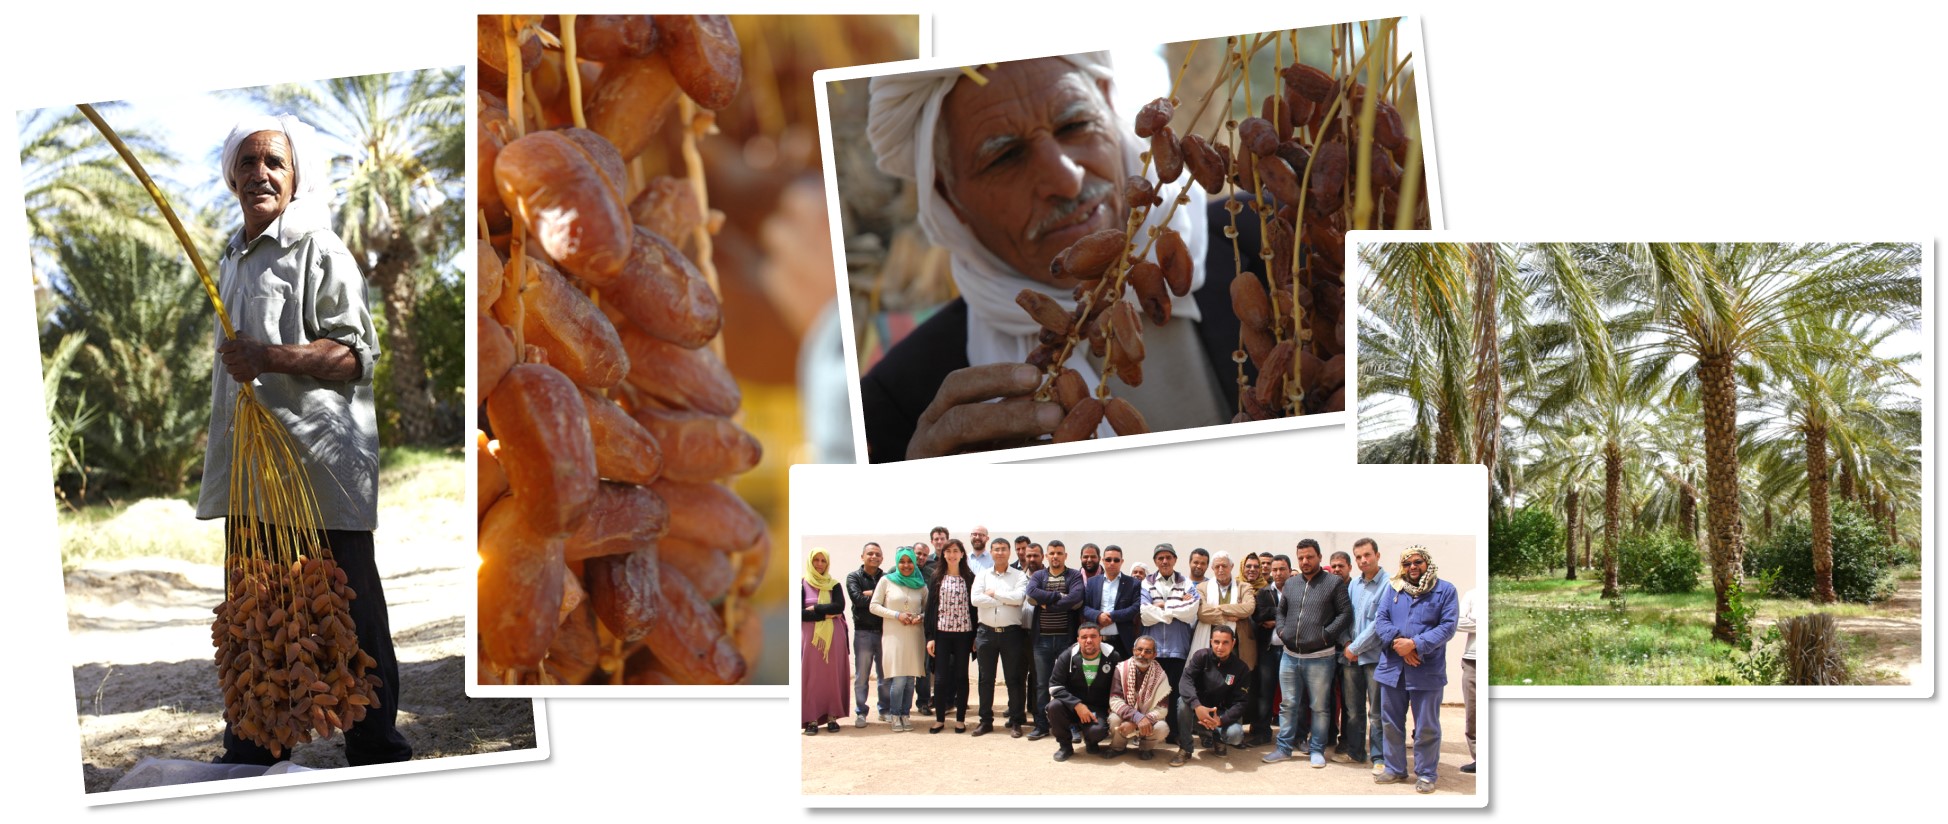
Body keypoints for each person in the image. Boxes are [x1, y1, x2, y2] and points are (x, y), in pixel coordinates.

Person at [863, 55, 1262, 462]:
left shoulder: (1274, 237)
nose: (1066, 179)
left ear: (1110, 108)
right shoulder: (898, 403)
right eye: (1005, 157)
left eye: (1075, 126)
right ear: (949, 197)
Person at [203, 116, 406, 767]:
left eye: (275, 164)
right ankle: (256, 741)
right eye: (250, 162)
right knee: (253, 608)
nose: (261, 173)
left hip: (320, 467)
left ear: (294, 179)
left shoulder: (319, 247)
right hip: (252, 470)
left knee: (349, 607)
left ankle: (376, 747)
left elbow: (353, 356)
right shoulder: (230, 257)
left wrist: (272, 357)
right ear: (232, 175)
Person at [1374, 546, 1460, 794]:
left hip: (1426, 669)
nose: (1413, 567)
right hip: (1392, 668)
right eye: (1408, 562)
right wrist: (1399, 644)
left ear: (1427, 563)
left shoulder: (1445, 590)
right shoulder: (1394, 588)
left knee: (1426, 726)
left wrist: (1415, 645)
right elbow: (1380, 620)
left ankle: (1426, 773)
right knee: (1390, 723)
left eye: (1418, 562)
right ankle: (1395, 768)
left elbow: (1447, 627)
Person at [1264, 540, 1350, 767]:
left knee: (1319, 707)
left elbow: (1345, 614)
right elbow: (1281, 611)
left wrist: (1325, 636)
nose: (1305, 561)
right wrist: (1282, 631)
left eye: (1309, 557)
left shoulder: (1333, 583)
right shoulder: (1291, 584)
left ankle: (1317, 749)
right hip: (1290, 656)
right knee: (1288, 704)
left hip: (1320, 657)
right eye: (1301, 557)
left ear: (1319, 557)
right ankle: (1283, 748)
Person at [1024, 540, 1083, 740]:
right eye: (1052, 553)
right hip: (1042, 641)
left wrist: (1048, 604)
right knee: (1042, 684)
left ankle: (1073, 726)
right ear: (1046, 556)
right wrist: (1059, 596)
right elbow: (1031, 593)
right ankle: (1041, 725)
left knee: (1070, 684)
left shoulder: (1074, 575)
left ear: (1065, 555)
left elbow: (1076, 597)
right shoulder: (1039, 575)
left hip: (1067, 640)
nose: (1055, 556)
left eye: (1059, 553)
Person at [970, 538, 1029, 737]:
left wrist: (994, 593)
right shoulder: (982, 575)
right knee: (986, 679)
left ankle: (1016, 721)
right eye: (996, 549)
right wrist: (1005, 598)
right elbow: (975, 599)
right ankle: (985, 721)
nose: (1000, 553)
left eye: (1004, 549)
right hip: (986, 633)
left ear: (1009, 552)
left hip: (1011, 634)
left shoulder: (1019, 576)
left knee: (1014, 679)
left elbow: (1019, 598)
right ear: (992, 552)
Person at [1138, 543, 1199, 735]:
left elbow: (1191, 613)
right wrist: (1176, 606)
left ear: (1175, 559)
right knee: (1151, 693)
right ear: (1155, 561)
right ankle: (1150, 733)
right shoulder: (1147, 582)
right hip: (1152, 649)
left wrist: (1163, 606)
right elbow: (1145, 614)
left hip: (1178, 647)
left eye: (1168, 557)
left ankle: (1174, 734)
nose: (1165, 561)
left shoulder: (1186, 582)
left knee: (1174, 693)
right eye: (1160, 558)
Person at [868, 547, 930, 731]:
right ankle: (895, 715)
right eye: (902, 562)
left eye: (909, 561)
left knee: (911, 679)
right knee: (899, 679)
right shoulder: (886, 581)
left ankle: (905, 714)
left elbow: (929, 611)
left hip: (914, 635)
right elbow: (874, 606)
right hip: (894, 635)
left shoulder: (921, 585)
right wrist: (897, 615)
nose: (906, 565)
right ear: (897, 563)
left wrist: (921, 617)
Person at [1339, 538, 1388, 769]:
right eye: (1358, 557)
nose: (1363, 560)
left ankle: (1379, 757)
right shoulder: (1354, 584)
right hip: (1351, 657)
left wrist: (1355, 648)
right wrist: (1347, 644)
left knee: (1377, 713)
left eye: (1367, 555)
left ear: (1378, 555)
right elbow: (1346, 616)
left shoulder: (1389, 584)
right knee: (1353, 711)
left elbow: (1380, 623)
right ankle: (1356, 752)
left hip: (1375, 658)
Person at [1171, 625, 1250, 767]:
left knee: (1235, 736)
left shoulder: (1241, 668)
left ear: (1233, 643)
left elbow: (1241, 702)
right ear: (1211, 642)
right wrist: (1197, 706)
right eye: (1217, 642)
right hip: (1199, 710)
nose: (1220, 646)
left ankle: (1217, 738)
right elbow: (1185, 680)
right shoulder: (1201, 656)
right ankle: (1185, 748)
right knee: (1182, 702)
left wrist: (1221, 720)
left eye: (1225, 642)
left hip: (1221, 713)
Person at [925, 539, 978, 733]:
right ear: (943, 554)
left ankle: (960, 719)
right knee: (940, 679)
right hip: (942, 634)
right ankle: (939, 719)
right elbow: (930, 608)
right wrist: (930, 637)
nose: (952, 555)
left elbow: (975, 609)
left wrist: (975, 636)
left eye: (956, 551)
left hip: (964, 634)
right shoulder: (937, 577)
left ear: (962, 554)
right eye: (948, 551)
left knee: (961, 677)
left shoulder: (970, 577)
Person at [1046, 624, 1121, 762]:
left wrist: (1113, 706)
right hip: (1071, 706)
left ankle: (1091, 741)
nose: (1089, 640)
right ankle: (1065, 747)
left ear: (1101, 638)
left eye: (1093, 636)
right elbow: (1054, 686)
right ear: (1078, 639)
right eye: (1084, 637)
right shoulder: (1067, 656)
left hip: (1097, 708)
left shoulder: (1113, 657)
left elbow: (1118, 686)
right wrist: (1077, 705)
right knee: (1054, 706)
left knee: (1097, 732)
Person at [801, 548, 850, 735]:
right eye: (816, 560)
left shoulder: (834, 584)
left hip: (834, 637)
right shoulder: (801, 584)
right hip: (810, 638)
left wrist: (816, 608)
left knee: (832, 677)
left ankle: (832, 716)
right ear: (810, 562)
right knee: (811, 677)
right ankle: (811, 719)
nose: (820, 564)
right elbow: (799, 613)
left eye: (823, 561)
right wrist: (826, 615)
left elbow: (839, 606)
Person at [1245, 555, 1291, 748]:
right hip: (1268, 650)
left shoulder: (1297, 591)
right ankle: (1263, 732)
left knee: (1291, 695)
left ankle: (1292, 734)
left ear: (1289, 570)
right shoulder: (1264, 592)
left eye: (1282, 569)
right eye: (1275, 569)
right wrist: (1284, 614)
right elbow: (1258, 615)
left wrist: (1276, 618)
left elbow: (1302, 616)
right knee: (1265, 692)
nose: (1278, 573)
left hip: (1291, 651)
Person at [845, 542, 890, 726]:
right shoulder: (853, 577)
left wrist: (871, 594)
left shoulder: (887, 577)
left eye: (877, 554)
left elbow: (890, 600)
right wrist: (878, 596)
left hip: (884, 632)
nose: (874, 557)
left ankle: (885, 710)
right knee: (862, 676)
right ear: (862, 556)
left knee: (884, 675)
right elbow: (858, 600)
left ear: (882, 558)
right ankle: (861, 712)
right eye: (870, 553)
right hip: (863, 632)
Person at [1106, 636, 1172, 760]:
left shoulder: (1161, 676)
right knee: (1114, 719)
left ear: (1154, 654)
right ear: (1133, 650)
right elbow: (1115, 700)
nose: (1142, 654)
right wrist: (1136, 718)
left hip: (1148, 718)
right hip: (1126, 716)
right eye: (1139, 650)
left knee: (1162, 728)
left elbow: (1162, 709)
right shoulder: (1121, 669)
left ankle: (1145, 749)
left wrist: (1141, 720)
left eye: (1148, 651)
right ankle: (1117, 747)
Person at [1081, 544, 1141, 661]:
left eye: (1116, 560)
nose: (1112, 563)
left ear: (1122, 561)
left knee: (1121, 677)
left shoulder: (1132, 583)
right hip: (1096, 641)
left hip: (1122, 641)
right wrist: (1098, 616)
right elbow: (1084, 607)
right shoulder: (1092, 582)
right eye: (1108, 559)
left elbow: (1136, 607)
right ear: (1102, 560)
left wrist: (1111, 616)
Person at [1194, 550, 1256, 655]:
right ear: (1212, 568)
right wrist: (1229, 616)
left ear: (1231, 566)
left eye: (1224, 566)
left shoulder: (1244, 587)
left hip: (1237, 645)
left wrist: (1217, 608)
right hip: (1209, 643)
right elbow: (1202, 613)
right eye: (1217, 566)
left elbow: (1248, 608)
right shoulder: (1202, 587)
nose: (1221, 570)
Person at [1457, 585, 1481, 774]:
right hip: (1472, 660)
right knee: (1473, 714)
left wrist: (1474, 620)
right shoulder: (1472, 594)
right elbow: (1457, 622)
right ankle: (1479, 758)